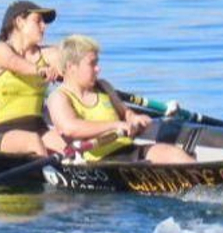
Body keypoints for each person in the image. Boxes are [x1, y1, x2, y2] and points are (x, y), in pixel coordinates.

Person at [45, 35, 193, 164]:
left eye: (97, 63)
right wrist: (114, 125)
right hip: (96, 161)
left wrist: (134, 118)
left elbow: (125, 113)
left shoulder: (103, 86)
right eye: (92, 64)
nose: (98, 69)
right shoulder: (59, 97)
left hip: (127, 150)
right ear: (71, 67)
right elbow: (70, 129)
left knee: (173, 153)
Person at [0, 0, 65, 156]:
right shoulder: (0, 49)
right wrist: (40, 70)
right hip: (4, 134)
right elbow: (13, 62)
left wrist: (64, 71)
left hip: (39, 128)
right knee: (33, 141)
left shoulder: (48, 54)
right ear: (20, 22)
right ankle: (47, 177)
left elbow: (70, 69)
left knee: (68, 148)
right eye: (38, 21)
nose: (44, 26)